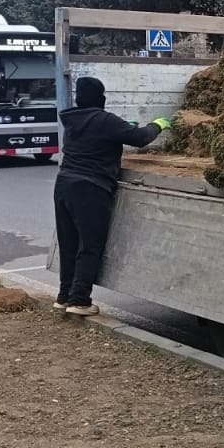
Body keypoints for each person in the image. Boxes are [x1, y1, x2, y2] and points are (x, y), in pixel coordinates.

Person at [53, 76, 169, 315]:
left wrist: (123, 127)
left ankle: (64, 296)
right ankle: (79, 301)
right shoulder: (105, 120)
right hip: (90, 188)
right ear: (100, 98)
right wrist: (157, 125)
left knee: (69, 244)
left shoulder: (73, 120)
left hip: (64, 185)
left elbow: (104, 134)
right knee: (90, 245)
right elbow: (140, 138)